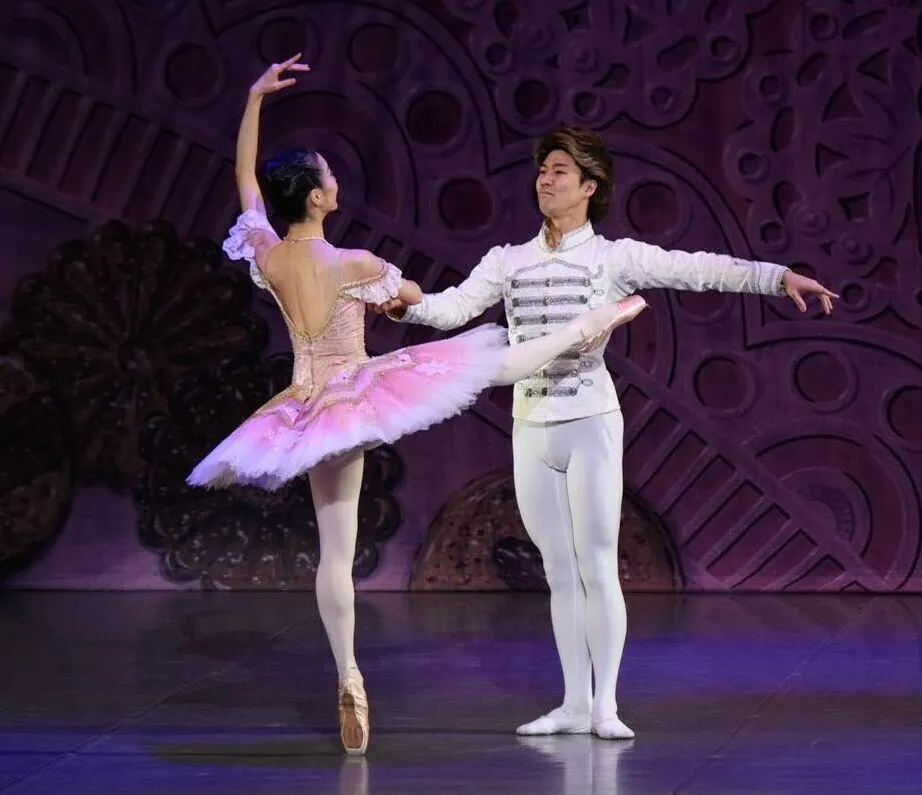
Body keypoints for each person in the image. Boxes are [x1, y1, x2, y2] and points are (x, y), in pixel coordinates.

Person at [186, 57, 647, 757]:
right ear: (319, 198)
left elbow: (244, 180)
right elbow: (412, 300)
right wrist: (402, 295)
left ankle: (348, 673)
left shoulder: (268, 257)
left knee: (334, 553)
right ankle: (590, 324)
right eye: (329, 176)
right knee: (490, 359)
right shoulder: (356, 263)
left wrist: (252, 98)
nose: (336, 183)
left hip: (303, 407)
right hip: (356, 394)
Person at [377, 124, 839, 741]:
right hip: (531, 426)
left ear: (589, 186)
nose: (546, 179)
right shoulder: (507, 261)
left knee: (597, 563)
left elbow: (699, 270)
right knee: (557, 570)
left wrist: (776, 277)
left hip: (590, 422)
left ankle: (606, 705)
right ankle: (573, 703)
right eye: (543, 169)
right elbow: (452, 307)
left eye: (560, 171)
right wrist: (408, 302)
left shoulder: (612, 257)